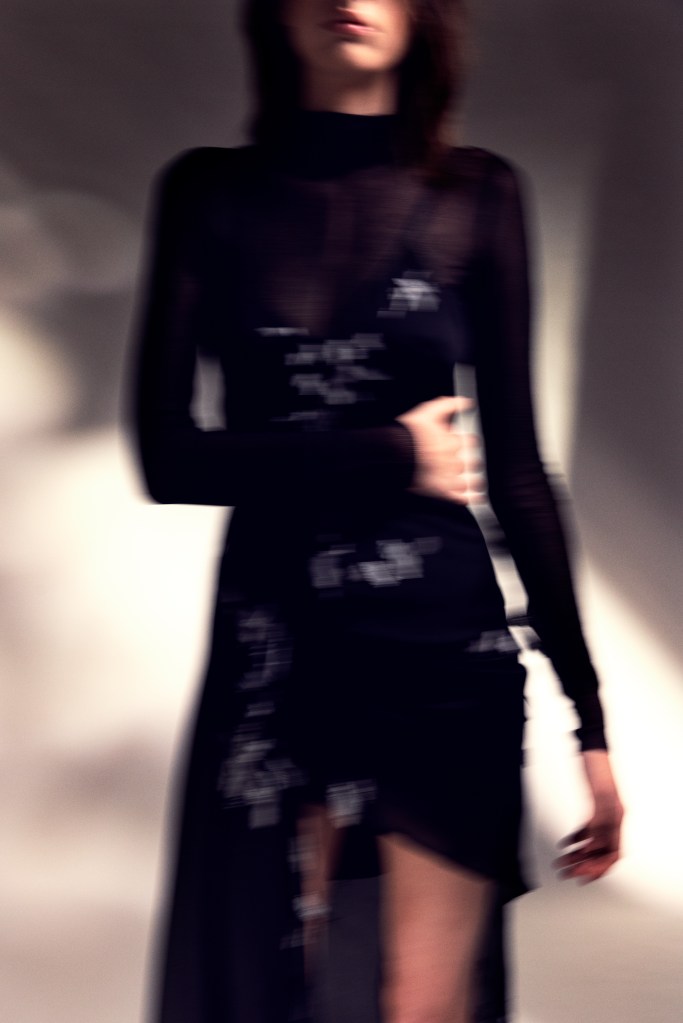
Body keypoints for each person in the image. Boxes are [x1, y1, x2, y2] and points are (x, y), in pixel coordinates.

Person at [131, 2, 624, 1021]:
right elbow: (168, 457)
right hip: (275, 645)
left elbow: (519, 471)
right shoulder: (209, 195)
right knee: (276, 990)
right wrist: (393, 451)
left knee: (419, 1005)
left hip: (441, 654)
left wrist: (588, 719)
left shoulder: (477, 195)